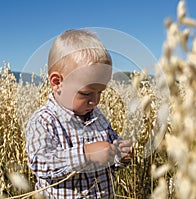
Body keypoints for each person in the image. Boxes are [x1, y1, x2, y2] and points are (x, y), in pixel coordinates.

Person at [25, 29, 132, 198]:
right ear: (57, 82)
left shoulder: (99, 118)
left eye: (100, 92)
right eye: (86, 93)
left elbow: (110, 158)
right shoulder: (44, 120)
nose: (95, 101)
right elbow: (40, 163)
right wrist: (85, 154)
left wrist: (120, 155)